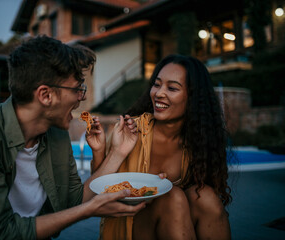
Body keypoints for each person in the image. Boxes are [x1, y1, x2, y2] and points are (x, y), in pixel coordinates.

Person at [0, 35, 145, 240]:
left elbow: (75, 200)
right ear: (46, 95)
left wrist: (117, 152)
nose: (82, 98)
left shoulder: (57, 134)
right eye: (78, 90)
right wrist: (87, 211)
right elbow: (0, 232)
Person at [91, 54, 232, 240]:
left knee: (205, 196)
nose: (159, 93)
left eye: (172, 88)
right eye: (156, 84)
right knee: (171, 196)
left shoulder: (196, 143)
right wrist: (99, 151)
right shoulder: (130, 131)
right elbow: (96, 194)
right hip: (127, 225)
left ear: (193, 98)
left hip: (173, 225)